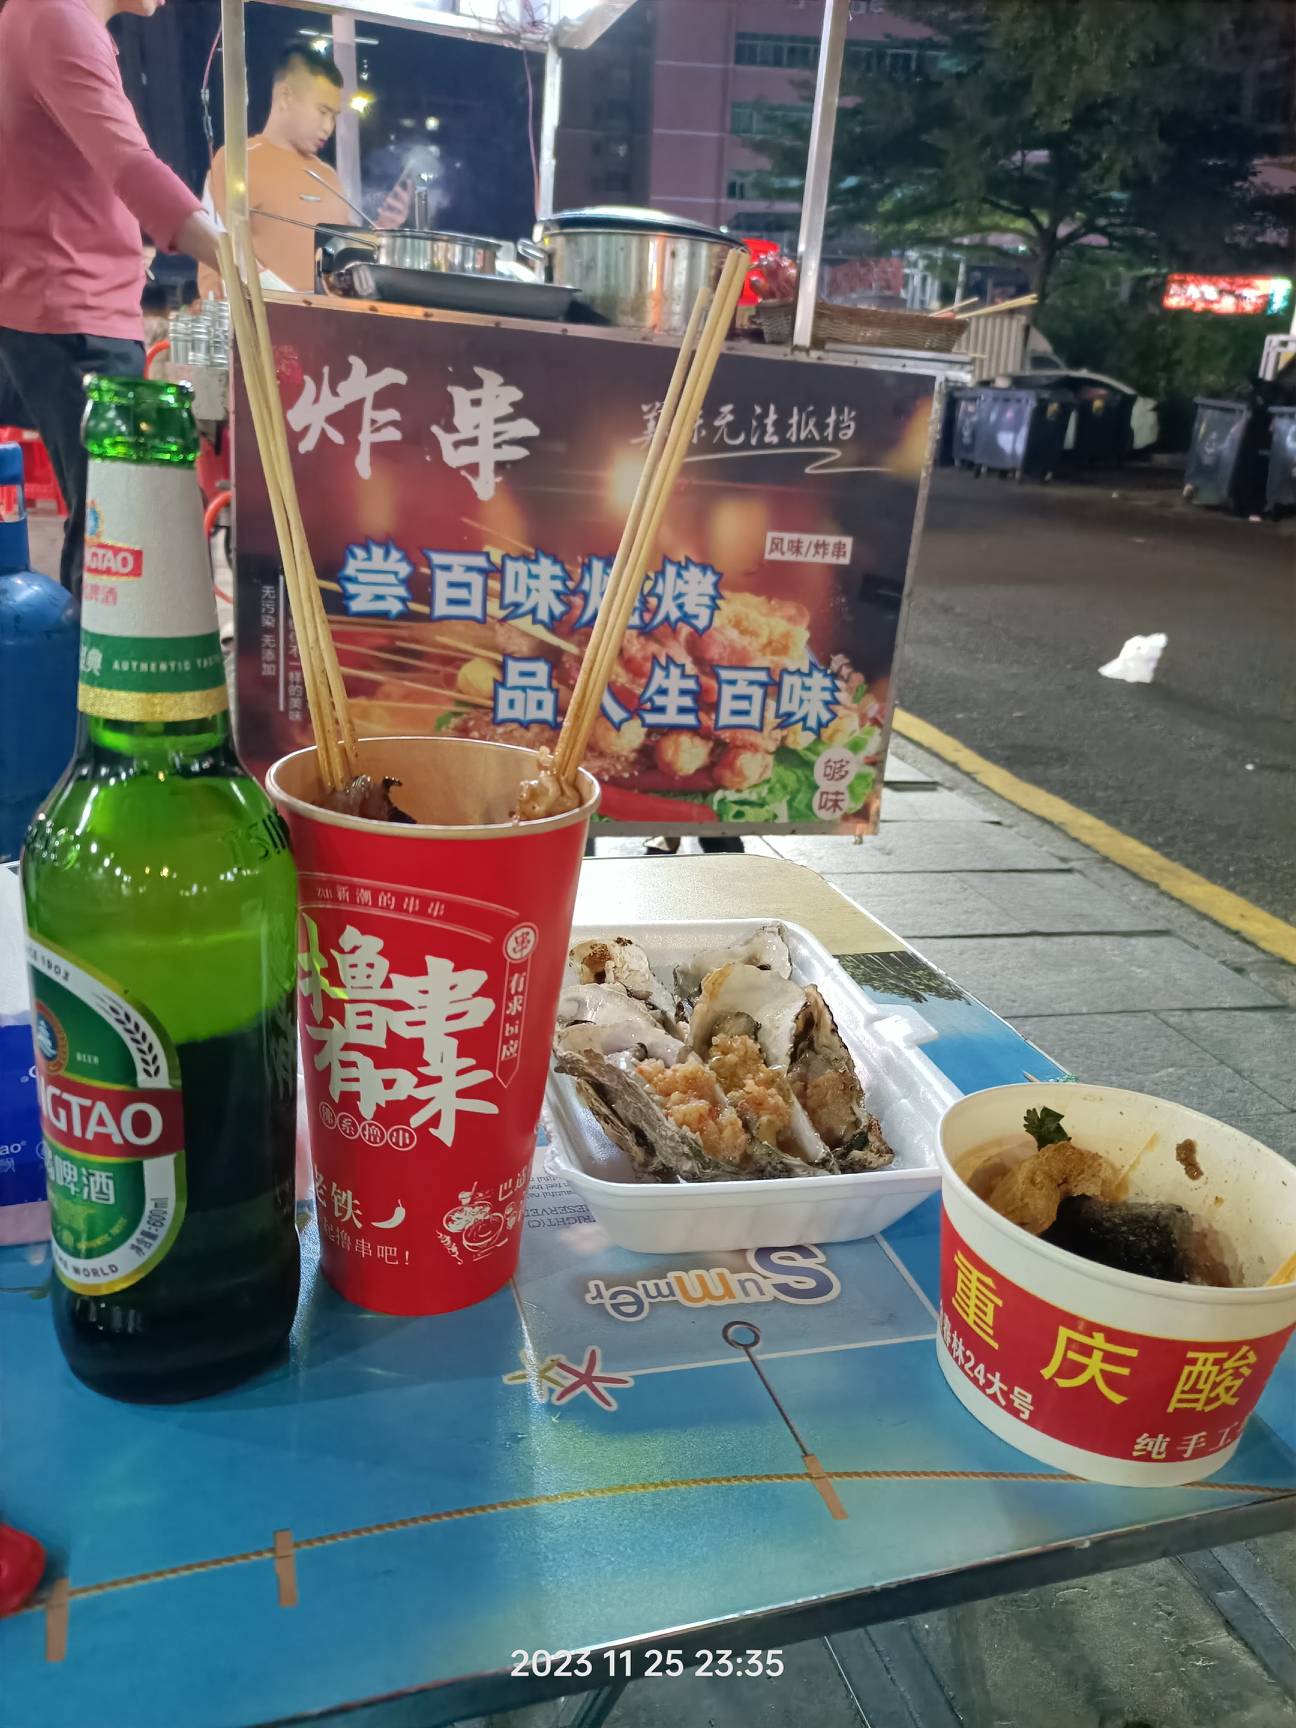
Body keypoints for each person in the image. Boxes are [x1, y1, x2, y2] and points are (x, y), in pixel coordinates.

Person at [0, 0, 223, 595]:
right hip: (73, 319)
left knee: (112, 521)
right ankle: (94, 656)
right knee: (115, 537)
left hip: (64, 305)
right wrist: (232, 258)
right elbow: (129, 164)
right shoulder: (56, 18)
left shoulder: (45, 17)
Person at [199, 46, 411, 298]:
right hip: (260, 320)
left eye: (334, 116)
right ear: (285, 97)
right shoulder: (237, 161)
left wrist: (383, 229)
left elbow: (348, 264)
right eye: (322, 112)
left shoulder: (328, 177)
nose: (328, 127)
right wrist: (292, 304)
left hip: (326, 319)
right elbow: (215, 255)